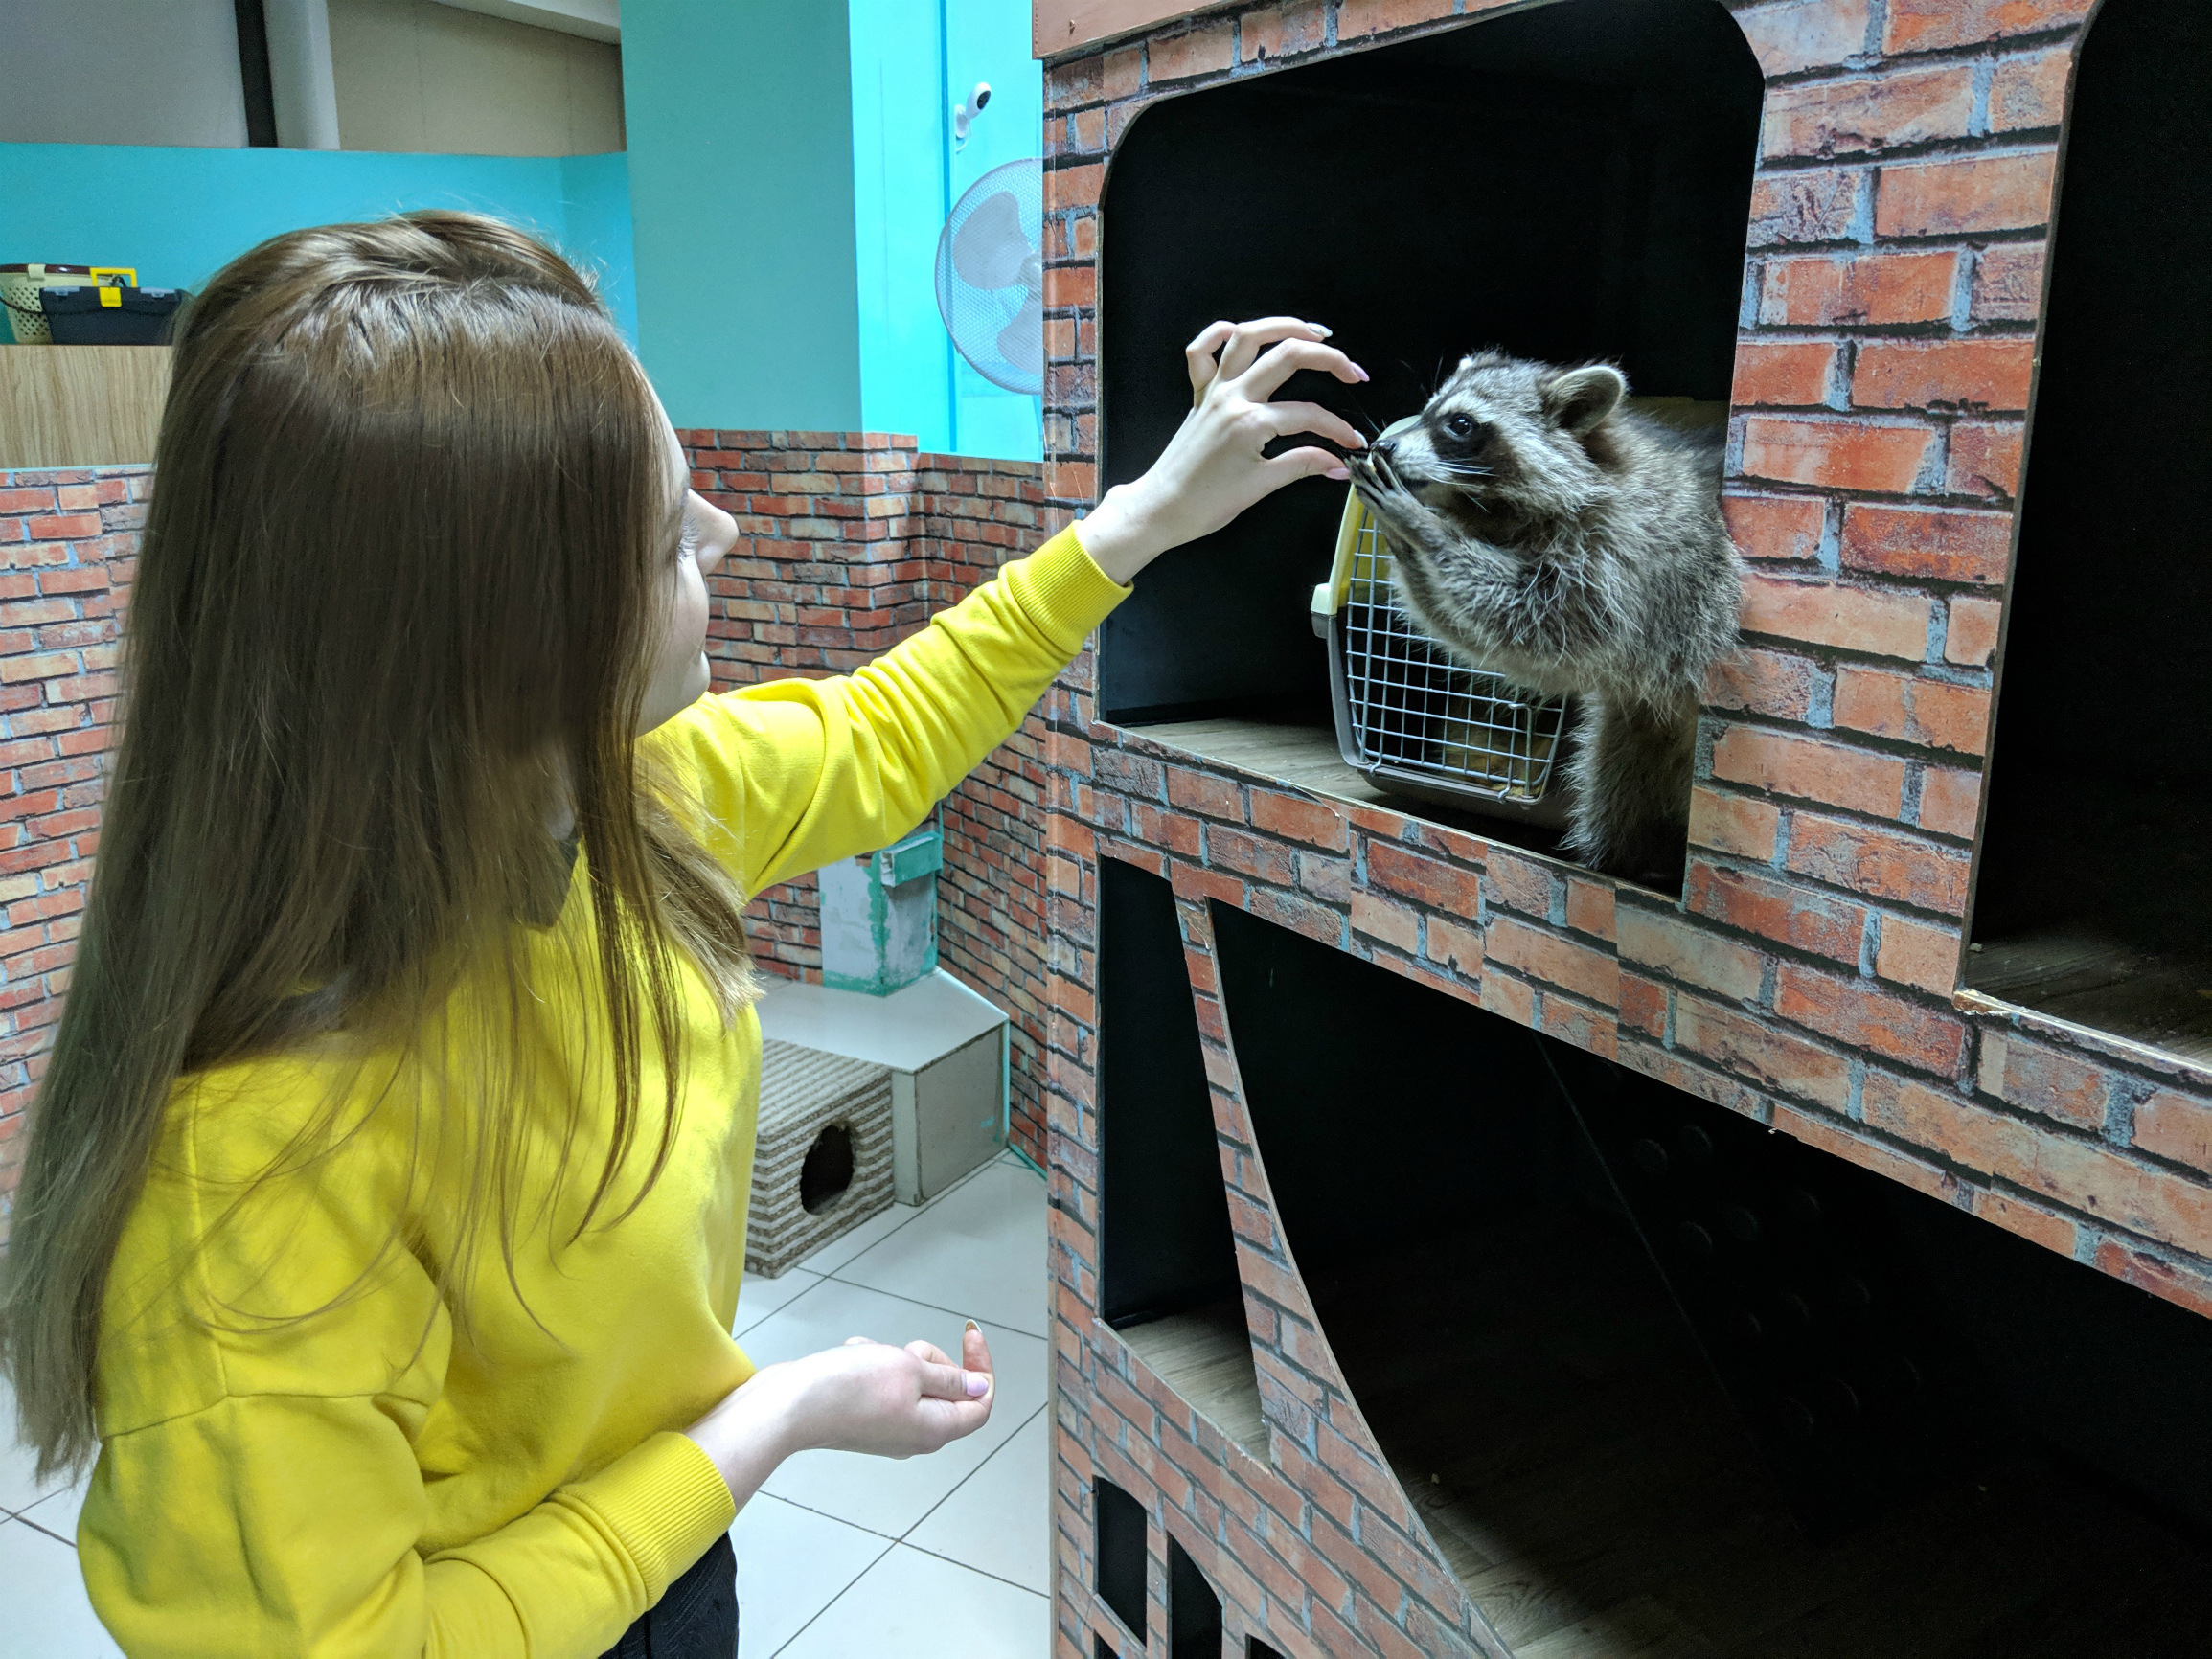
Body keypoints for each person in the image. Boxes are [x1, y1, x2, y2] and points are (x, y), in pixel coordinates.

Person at [0, 211, 1367, 1658]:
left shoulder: (626, 804)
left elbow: (885, 730)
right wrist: (769, 1415)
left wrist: (1145, 515)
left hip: (659, 1557)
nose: (719, 533)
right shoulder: (248, 1181)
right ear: (507, 645)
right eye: (666, 536)